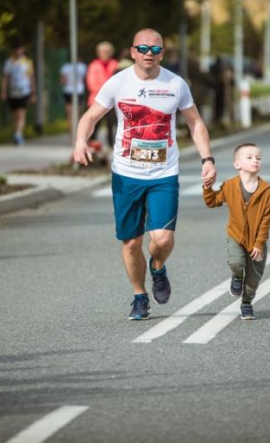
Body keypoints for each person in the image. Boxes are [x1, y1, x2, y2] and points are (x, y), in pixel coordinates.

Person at [73, 28, 217, 320]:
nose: (149, 53)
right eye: (143, 48)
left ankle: (158, 266)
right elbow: (90, 116)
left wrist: (207, 158)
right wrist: (80, 141)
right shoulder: (118, 83)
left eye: (155, 49)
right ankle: (139, 296)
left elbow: (196, 123)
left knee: (162, 240)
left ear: (162, 54)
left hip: (164, 173)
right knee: (131, 242)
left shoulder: (176, 84)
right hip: (126, 174)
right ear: (132, 52)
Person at [203, 143, 270, 320]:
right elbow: (212, 202)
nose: (255, 161)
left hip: (257, 242)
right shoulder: (230, 186)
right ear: (237, 164)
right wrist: (207, 187)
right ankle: (236, 277)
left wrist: (259, 243)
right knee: (236, 262)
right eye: (249, 157)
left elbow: (266, 221)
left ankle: (247, 303)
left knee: (252, 280)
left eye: (258, 158)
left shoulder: (266, 191)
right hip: (236, 236)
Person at [1, 42, 35, 145]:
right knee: (15, 114)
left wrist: (33, 92)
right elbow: (6, 78)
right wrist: (3, 91)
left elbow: (31, 77)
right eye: (16, 49)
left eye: (20, 49)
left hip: (24, 91)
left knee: (21, 113)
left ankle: (18, 134)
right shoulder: (9, 63)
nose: (18, 51)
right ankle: (16, 132)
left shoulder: (27, 62)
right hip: (12, 91)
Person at [86, 41, 119, 149]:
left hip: (113, 101)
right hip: (96, 100)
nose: (105, 53)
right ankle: (92, 145)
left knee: (112, 124)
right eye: (103, 51)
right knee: (94, 124)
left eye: (107, 51)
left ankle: (111, 145)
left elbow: (118, 81)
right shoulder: (93, 65)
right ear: (98, 53)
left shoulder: (115, 64)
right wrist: (106, 92)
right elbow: (91, 83)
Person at [60, 57, 87, 144]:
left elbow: (63, 81)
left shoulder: (65, 67)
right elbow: (85, 79)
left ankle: (71, 137)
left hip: (68, 91)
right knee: (77, 116)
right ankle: (77, 137)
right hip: (79, 91)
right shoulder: (83, 67)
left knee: (70, 116)